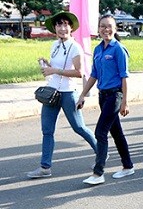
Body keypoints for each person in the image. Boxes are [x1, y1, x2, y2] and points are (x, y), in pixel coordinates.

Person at [27, 11, 98, 179]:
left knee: (79, 127)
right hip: (52, 92)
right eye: (59, 25)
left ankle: (101, 151)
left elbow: (79, 73)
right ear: (55, 28)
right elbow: (57, 69)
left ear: (71, 27)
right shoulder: (55, 45)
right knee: (47, 130)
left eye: (65, 24)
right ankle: (45, 167)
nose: (62, 28)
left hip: (68, 93)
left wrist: (55, 70)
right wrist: (48, 65)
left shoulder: (75, 47)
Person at [78, 14, 135, 185]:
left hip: (115, 95)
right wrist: (82, 95)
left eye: (109, 26)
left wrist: (125, 101)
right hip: (103, 96)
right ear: (98, 29)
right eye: (102, 26)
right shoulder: (98, 49)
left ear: (115, 28)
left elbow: (124, 77)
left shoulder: (118, 49)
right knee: (116, 132)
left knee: (100, 132)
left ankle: (98, 173)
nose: (106, 30)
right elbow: (94, 75)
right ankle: (128, 166)